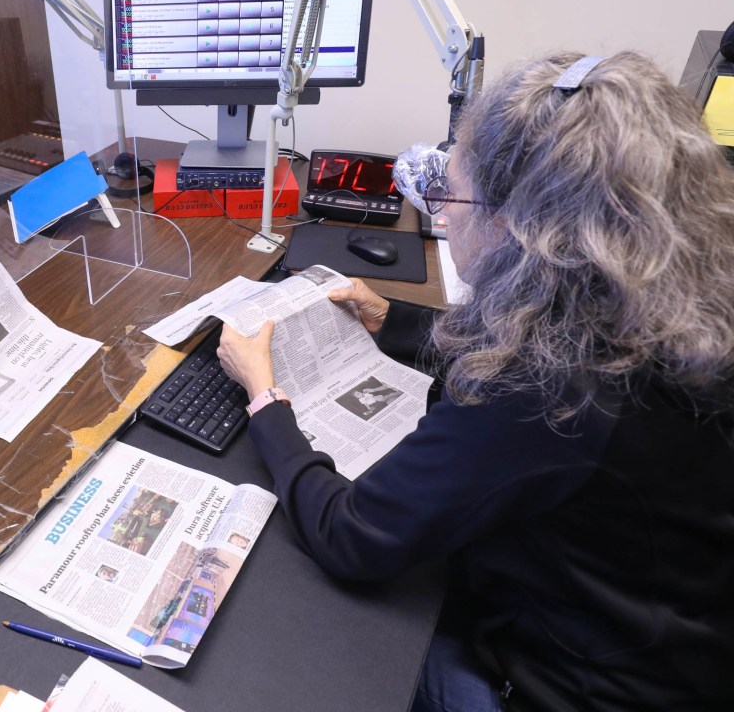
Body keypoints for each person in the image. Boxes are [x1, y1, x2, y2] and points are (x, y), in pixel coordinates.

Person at [217, 51, 734, 712]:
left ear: (528, 229)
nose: (443, 217)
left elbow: (351, 537)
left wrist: (264, 396)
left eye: (452, 196)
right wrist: (392, 318)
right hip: (680, 650)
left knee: (305, 648)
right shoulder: (673, 306)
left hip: (562, 688)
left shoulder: (546, 386)